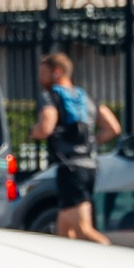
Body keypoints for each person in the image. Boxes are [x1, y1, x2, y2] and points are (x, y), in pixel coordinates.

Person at [32, 48, 119, 242]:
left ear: (57, 72)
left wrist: (33, 131)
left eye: (43, 73)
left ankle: (109, 255)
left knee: (83, 229)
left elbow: (45, 127)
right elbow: (113, 128)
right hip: (89, 167)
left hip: (70, 170)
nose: (39, 79)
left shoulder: (51, 97)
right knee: (64, 231)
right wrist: (91, 142)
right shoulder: (86, 98)